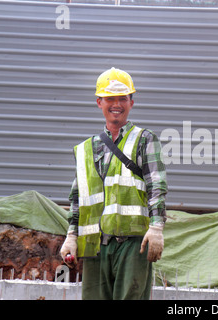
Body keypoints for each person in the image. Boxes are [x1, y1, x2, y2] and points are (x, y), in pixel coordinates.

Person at [60, 67, 168, 300]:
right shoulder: (86, 149)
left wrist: (157, 227)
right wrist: (71, 236)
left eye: (122, 98)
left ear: (131, 102)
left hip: (133, 246)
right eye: (110, 99)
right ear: (99, 102)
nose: (116, 104)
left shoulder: (144, 140)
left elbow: (156, 185)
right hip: (95, 247)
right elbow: (77, 197)